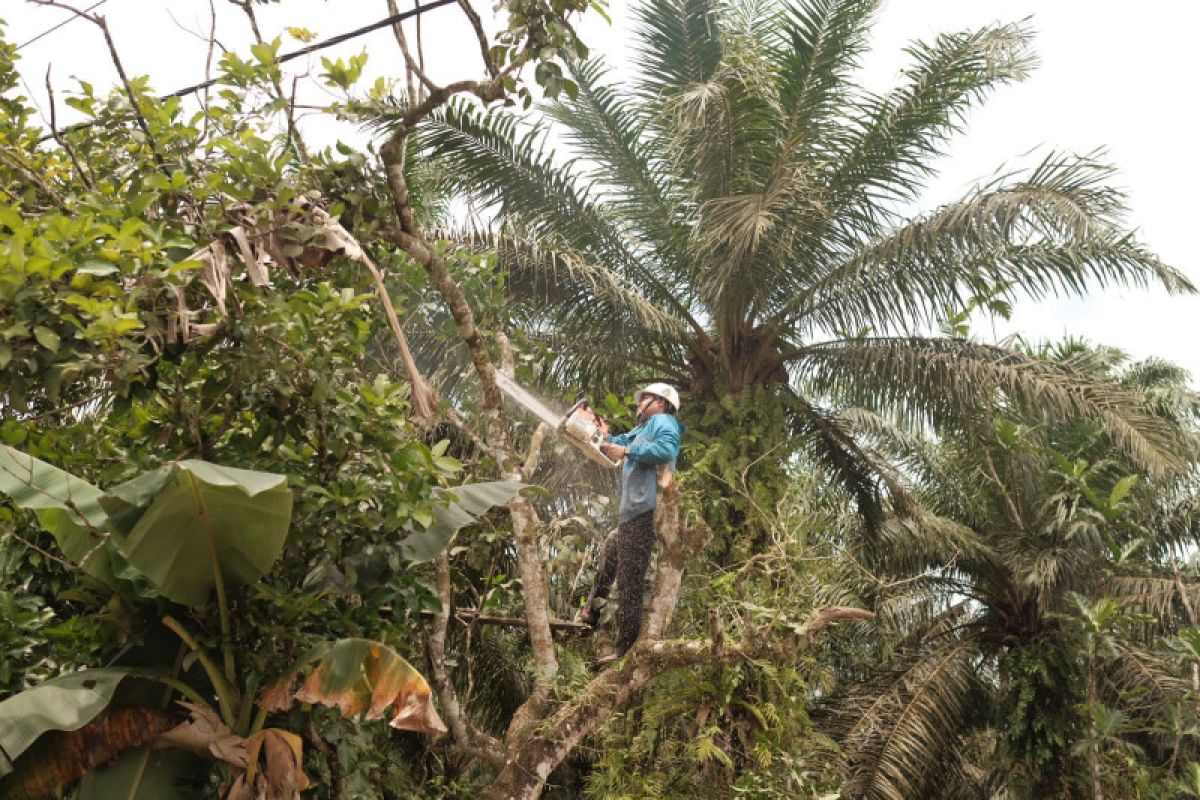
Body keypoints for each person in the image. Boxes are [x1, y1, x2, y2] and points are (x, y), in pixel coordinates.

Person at [580, 382, 684, 664]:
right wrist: (596, 429)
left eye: (645, 398)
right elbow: (616, 442)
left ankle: (624, 651)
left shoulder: (663, 421)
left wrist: (626, 453)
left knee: (629, 582)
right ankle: (591, 614)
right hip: (631, 514)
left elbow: (665, 450)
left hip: (645, 512)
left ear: (661, 402)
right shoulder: (641, 430)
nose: (639, 403)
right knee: (610, 550)